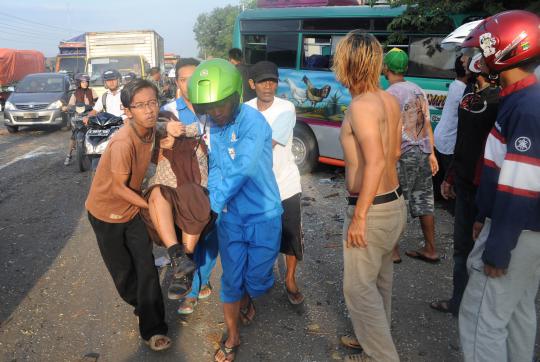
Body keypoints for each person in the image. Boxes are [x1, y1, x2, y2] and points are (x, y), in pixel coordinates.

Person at [457, 11, 540, 362]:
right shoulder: (522, 98)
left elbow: (521, 185)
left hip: (515, 232)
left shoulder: (526, 107)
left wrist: (499, 246)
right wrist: (483, 216)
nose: (479, 58)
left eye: (485, 49)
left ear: (504, 51)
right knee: (518, 313)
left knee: (481, 319)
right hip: (523, 231)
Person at [188, 58, 282, 362]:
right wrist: (211, 207)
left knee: (257, 281)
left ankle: (248, 297)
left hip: (264, 215)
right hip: (231, 219)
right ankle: (232, 336)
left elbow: (243, 168)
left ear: (234, 97)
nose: (215, 112)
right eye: (209, 107)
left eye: (220, 105)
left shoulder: (253, 122)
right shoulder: (214, 126)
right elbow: (217, 168)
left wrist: (212, 205)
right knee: (230, 280)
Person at [334, 31, 407, 362]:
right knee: (380, 283)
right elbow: (395, 153)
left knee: (358, 290)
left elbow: (377, 160)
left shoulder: (362, 106)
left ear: (347, 62)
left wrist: (360, 217)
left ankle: (382, 356)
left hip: (373, 209)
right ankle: (372, 343)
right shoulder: (388, 99)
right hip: (393, 203)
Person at [85, 79, 170, 352]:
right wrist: (152, 207)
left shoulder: (150, 130)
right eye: (141, 105)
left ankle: (153, 327)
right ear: (128, 110)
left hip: (131, 210)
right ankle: (141, 304)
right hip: (105, 214)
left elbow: (160, 130)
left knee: (146, 267)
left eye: (153, 102)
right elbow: (119, 188)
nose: (149, 110)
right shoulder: (123, 142)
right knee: (123, 275)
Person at [430, 53, 500, 316]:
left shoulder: (500, 100)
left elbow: (490, 153)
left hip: (485, 190)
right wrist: (450, 176)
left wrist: (484, 209)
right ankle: (459, 302)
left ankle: (481, 310)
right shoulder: (470, 94)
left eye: (471, 55)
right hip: (463, 182)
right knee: (461, 249)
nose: (466, 59)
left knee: (483, 255)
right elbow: (463, 137)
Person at [150, 57, 219, 315]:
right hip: (182, 186)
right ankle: (191, 291)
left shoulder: (214, 106)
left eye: (195, 78)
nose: (190, 84)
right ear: (177, 82)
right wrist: (163, 131)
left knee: (211, 238)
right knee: (189, 235)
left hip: (214, 183)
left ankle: (201, 279)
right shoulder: (170, 110)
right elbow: (144, 128)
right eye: (184, 79)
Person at [246, 61, 304, 305]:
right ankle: (255, 282)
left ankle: (290, 278)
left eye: (272, 81)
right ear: (252, 84)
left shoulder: (286, 108)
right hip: (256, 188)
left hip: (285, 184)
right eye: (262, 82)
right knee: (255, 238)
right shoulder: (244, 109)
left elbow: (265, 146)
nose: (268, 86)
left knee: (290, 236)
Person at [383, 48, 440, 264]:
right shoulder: (418, 90)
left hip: (403, 153)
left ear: (386, 68)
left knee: (397, 201)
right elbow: (427, 123)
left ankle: (394, 251)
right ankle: (431, 249)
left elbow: (389, 130)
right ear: (405, 68)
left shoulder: (390, 94)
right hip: (423, 153)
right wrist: (432, 153)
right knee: (424, 199)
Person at [433, 55, 469, 194]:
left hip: (440, 136)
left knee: (439, 176)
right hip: (449, 141)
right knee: (450, 180)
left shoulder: (455, 84)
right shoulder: (464, 92)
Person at [63, 73, 97, 166]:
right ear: (78, 83)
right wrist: (66, 108)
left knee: (96, 132)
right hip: (78, 116)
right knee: (74, 134)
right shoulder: (75, 94)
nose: (85, 83)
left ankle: (98, 154)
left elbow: (97, 102)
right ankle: (68, 155)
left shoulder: (92, 91)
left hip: (90, 116)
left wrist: (94, 107)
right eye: (83, 81)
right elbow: (70, 105)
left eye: (86, 81)